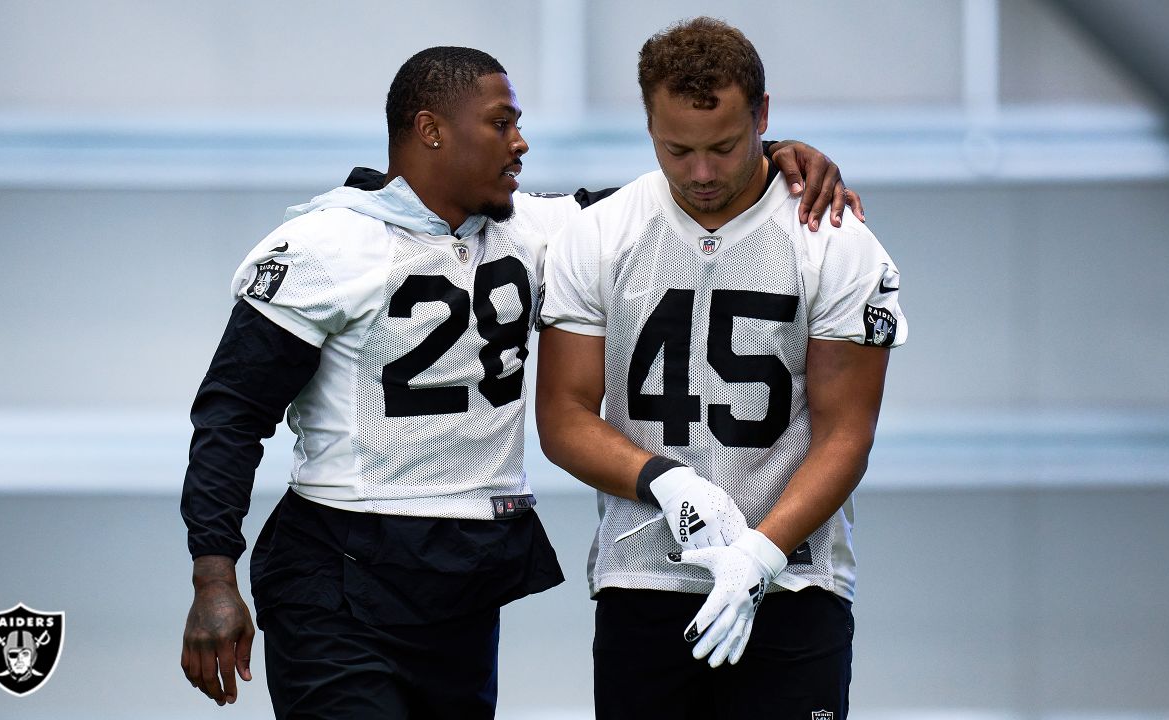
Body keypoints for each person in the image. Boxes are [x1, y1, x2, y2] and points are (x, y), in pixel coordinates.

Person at [179, 45, 860, 719]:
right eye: (500, 123)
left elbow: (686, 191)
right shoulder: (322, 245)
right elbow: (231, 415)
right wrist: (214, 574)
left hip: (463, 576)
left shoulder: (538, 229)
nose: (520, 142)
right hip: (338, 565)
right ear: (431, 129)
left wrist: (779, 156)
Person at [536, 17, 907, 720]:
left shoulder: (835, 241)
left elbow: (846, 435)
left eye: (725, 146)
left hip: (794, 583)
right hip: (643, 576)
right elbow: (561, 416)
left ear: (764, 117)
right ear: (647, 124)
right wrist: (666, 481)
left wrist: (760, 555)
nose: (701, 173)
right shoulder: (600, 232)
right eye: (677, 149)